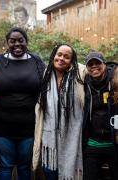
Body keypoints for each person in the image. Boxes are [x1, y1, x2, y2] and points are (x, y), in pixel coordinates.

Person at [0, 27, 45, 180]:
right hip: (2, 126)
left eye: (21, 40)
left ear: (26, 41)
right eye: (12, 41)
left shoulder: (36, 61)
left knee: (24, 166)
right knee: (5, 166)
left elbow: (47, 87)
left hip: (28, 126)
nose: (17, 44)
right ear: (7, 43)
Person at [32, 44, 85, 180]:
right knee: (49, 171)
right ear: (54, 55)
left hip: (72, 136)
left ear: (71, 61)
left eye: (66, 57)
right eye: (59, 54)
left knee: (69, 171)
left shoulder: (80, 74)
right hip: (49, 139)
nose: (61, 58)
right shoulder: (46, 74)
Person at [82, 52, 118, 180]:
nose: (94, 66)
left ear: (104, 64)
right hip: (93, 143)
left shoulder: (115, 80)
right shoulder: (84, 84)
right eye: (90, 64)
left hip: (114, 143)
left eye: (97, 63)